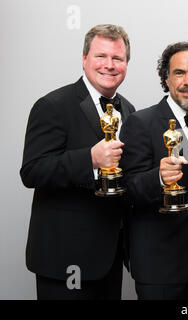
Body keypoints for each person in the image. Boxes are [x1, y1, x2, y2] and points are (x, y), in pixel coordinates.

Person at [20, 24, 135, 299]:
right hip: (63, 260)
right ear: (84, 59)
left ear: (126, 64)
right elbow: (32, 171)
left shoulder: (129, 110)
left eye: (117, 58)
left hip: (109, 259)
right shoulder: (53, 105)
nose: (109, 65)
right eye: (101, 56)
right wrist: (90, 159)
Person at [119, 42, 188, 300]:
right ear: (166, 77)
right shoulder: (141, 122)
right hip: (158, 263)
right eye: (179, 73)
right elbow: (126, 189)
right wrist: (158, 178)